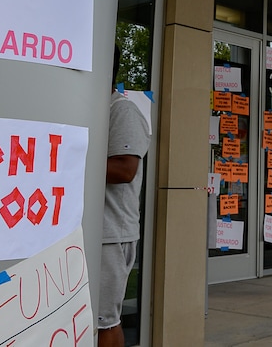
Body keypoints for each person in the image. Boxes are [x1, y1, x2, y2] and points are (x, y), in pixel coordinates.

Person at [99, 45, 151, 347]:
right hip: (87, 232)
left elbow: (124, 168)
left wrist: (60, 160)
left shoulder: (121, 110)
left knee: (103, 321)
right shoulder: (91, 109)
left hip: (110, 234)